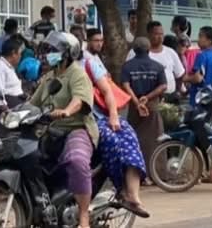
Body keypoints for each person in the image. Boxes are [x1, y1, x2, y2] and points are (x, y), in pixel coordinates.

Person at [30, 31, 98, 228]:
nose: (48, 54)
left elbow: (80, 100)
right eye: (47, 50)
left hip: (76, 128)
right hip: (50, 131)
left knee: (76, 160)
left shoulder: (77, 74)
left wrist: (67, 110)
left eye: (53, 50)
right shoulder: (49, 77)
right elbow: (33, 103)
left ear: (67, 53)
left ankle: (83, 215)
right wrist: (14, 113)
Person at [78, 37, 149, 218]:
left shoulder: (89, 64)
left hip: (102, 116)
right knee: (111, 141)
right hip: (83, 120)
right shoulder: (56, 71)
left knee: (129, 136)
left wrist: (113, 115)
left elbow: (107, 90)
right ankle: (121, 189)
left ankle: (133, 194)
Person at [184, 25, 212, 184]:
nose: (198, 39)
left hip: (202, 102)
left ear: (209, 40)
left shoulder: (202, 56)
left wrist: (184, 78)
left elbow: (197, 77)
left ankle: (196, 172)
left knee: (198, 136)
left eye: (201, 36)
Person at [121, 38, 167, 172]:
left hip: (134, 107)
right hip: (152, 106)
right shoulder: (157, 66)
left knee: (134, 138)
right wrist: (147, 98)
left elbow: (125, 85)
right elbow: (163, 86)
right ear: (149, 49)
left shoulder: (127, 66)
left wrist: (136, 102)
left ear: (134, 50)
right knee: (156, 139)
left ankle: (137, 172)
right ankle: (157, 172)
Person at [131, 21, 184, 95]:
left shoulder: (171, 52)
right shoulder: (135, 52)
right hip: (144, 96)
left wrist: (177, 90)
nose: (160, 37)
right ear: (148, 35)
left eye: (161, 34)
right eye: (156, 34)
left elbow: (180, 74)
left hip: (168, 96)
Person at [0, 35, 26, 123]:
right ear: (13, 53)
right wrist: (8, 112)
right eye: (19, 53)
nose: (20, 56)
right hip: (2, 117)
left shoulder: (8, 67)